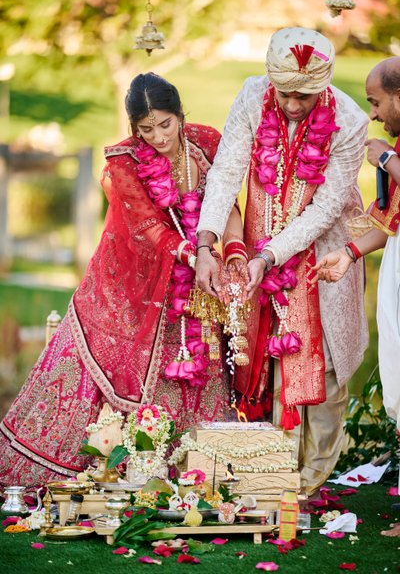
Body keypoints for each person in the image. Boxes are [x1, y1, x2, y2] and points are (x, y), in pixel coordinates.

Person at [0, 72, 243, 488]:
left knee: (200, 361)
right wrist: (194, 253)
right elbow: (147, 225)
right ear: (135, 128)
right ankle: (124, 471)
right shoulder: (124, 161)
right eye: (146, 129)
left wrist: (230, 253)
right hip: (136, 287)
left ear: (180, 114)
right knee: (123, 363)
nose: (159, 137)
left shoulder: (207, 143)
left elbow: (226, 201)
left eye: (166, 124)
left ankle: (194, 473)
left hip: (200, 282)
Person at [196, 27, 369, 497]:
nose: (293, 105)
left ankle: (309, 481)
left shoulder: (351, 121)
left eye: (305, 95)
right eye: (286, 93)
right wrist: (206, 243)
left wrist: (272, 255)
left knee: (325, 361)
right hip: (255, 237)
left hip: (324, 248)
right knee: (263, 350)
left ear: (325, 86)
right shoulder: (252, 96)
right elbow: (228, 169)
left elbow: (327, 205)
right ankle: (267, 470)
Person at [313, 56, 400, 440]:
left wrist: (387, 158)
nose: (374, 114)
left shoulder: (392, 152)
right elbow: (389, 224)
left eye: (376, 102)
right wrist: (348, 255)